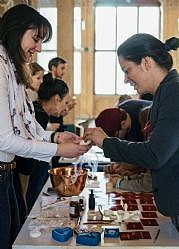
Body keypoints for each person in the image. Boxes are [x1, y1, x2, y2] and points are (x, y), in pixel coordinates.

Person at [0, 5, 90, 249]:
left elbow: (24, 123)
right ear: (15, 31)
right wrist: (58, 151)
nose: (39, 48)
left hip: (7, 171)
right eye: (36, 39)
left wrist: (55, 137)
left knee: (14, 237)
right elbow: (4, 139)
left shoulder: (13, 66)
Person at [84, 33, 179, 231]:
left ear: (146, 62)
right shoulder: (163, 94)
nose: (126, 79)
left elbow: (155, 154)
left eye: (127, 70)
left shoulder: (173, 93)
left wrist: (107, 143)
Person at [95, 107, 152, 193]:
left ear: (123, 124)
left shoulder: (146, 118)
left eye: (116, 137)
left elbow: (148, 183)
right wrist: (123, 166)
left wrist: (119, 182)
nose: (117, 140)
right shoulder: (117, 117)